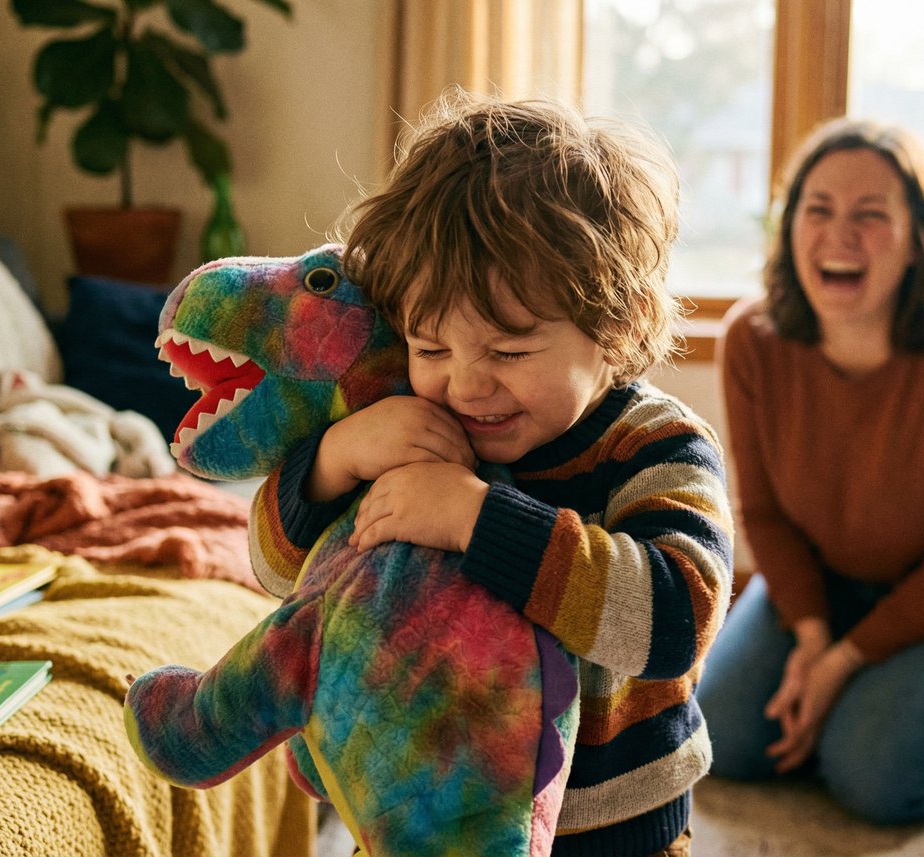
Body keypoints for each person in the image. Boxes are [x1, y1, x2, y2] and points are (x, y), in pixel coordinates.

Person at [247, 92, 734, 857]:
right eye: (430, 347)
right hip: (419, 814)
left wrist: (476, 519)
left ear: (620, 323)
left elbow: (676, 620)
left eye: (508, 351)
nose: (466, 385)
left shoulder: (656, 446)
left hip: (612, 833)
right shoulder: (407, 425)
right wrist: (334, 460)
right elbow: (278, 574)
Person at [695, 117, 924, 825]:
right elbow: (764, 515)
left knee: (873, 776)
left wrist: (840, 664)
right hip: (830, 582)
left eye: (870, 215)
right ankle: (877, 707)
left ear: (918, 239)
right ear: (790, 227)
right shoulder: (751, 338)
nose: (840, 234)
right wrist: (812, 636)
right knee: (720, 738)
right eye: (819, 209)